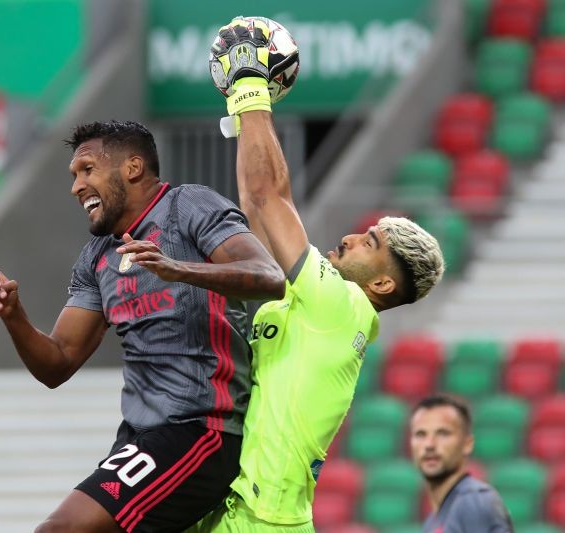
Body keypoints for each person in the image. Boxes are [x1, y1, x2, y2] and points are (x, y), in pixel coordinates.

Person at [190, 17, 447, 531]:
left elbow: (268, 197)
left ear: (381, 286)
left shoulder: (339, 306)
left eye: (370, 243)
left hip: (262, 519)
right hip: (244, 510)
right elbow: (256, 203)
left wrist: (248, 85)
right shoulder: (314, 310)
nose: (352, 237)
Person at [0, 119, 286, 532]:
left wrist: (182, 270)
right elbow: (58, 362)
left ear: (133, 167)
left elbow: (270, 276)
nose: (76, 186)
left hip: (199, 432)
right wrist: (14, 317)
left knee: (59, 529)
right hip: (137, 438)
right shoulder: (97, 257)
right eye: (73, 176)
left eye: (87, 170)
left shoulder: (187, 206)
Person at [410, 394, 514, 532]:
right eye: (420, 434)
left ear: (467, 444)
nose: (429, 444)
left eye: (443, 433)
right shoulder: (434, 520)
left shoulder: (473, 500)